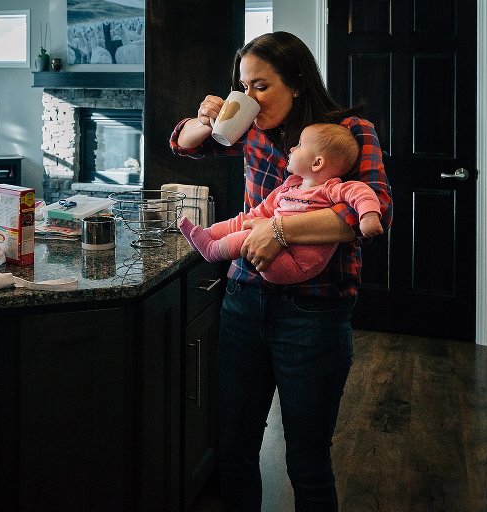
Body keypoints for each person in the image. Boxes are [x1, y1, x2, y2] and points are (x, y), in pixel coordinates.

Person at [169, 32, 393, 511]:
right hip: (244, 301)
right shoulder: (250, 129)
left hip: (315, 312)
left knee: (308, 462)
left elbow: (373, 212)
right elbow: (184, 144)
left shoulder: (350, 132)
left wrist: (280, 230)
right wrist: (204, 120)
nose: (249, 97)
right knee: (234, 451)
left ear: (296, 82)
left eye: (261, 86)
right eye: (243, 86)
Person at [179, 123, 383, 285]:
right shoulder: (289, 187)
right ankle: (208, 235)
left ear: (317, 163)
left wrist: (368, 216)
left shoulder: (330, 189)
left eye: (300, 145)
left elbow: (363, 193)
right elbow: (255, 215)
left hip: (297, 265)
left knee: (248, 234)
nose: (292, 148)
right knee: (247, 221)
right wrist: (213, 231)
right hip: (264, 269)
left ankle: (212, 250)